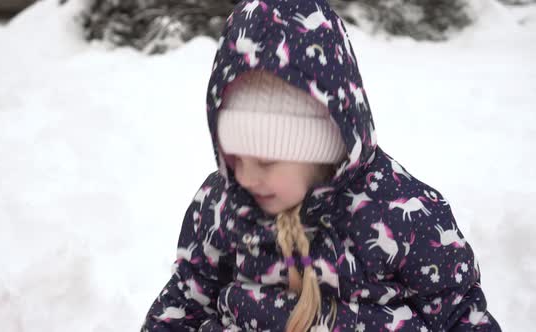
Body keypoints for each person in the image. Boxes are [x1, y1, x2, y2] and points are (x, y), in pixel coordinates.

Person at [142, 0, 500, 331]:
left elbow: (459, 314)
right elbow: (186, 300)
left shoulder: (405, 212)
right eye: (234, 158)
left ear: (324, 142)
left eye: (267, 159)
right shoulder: (221, 205)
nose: (246, 177)